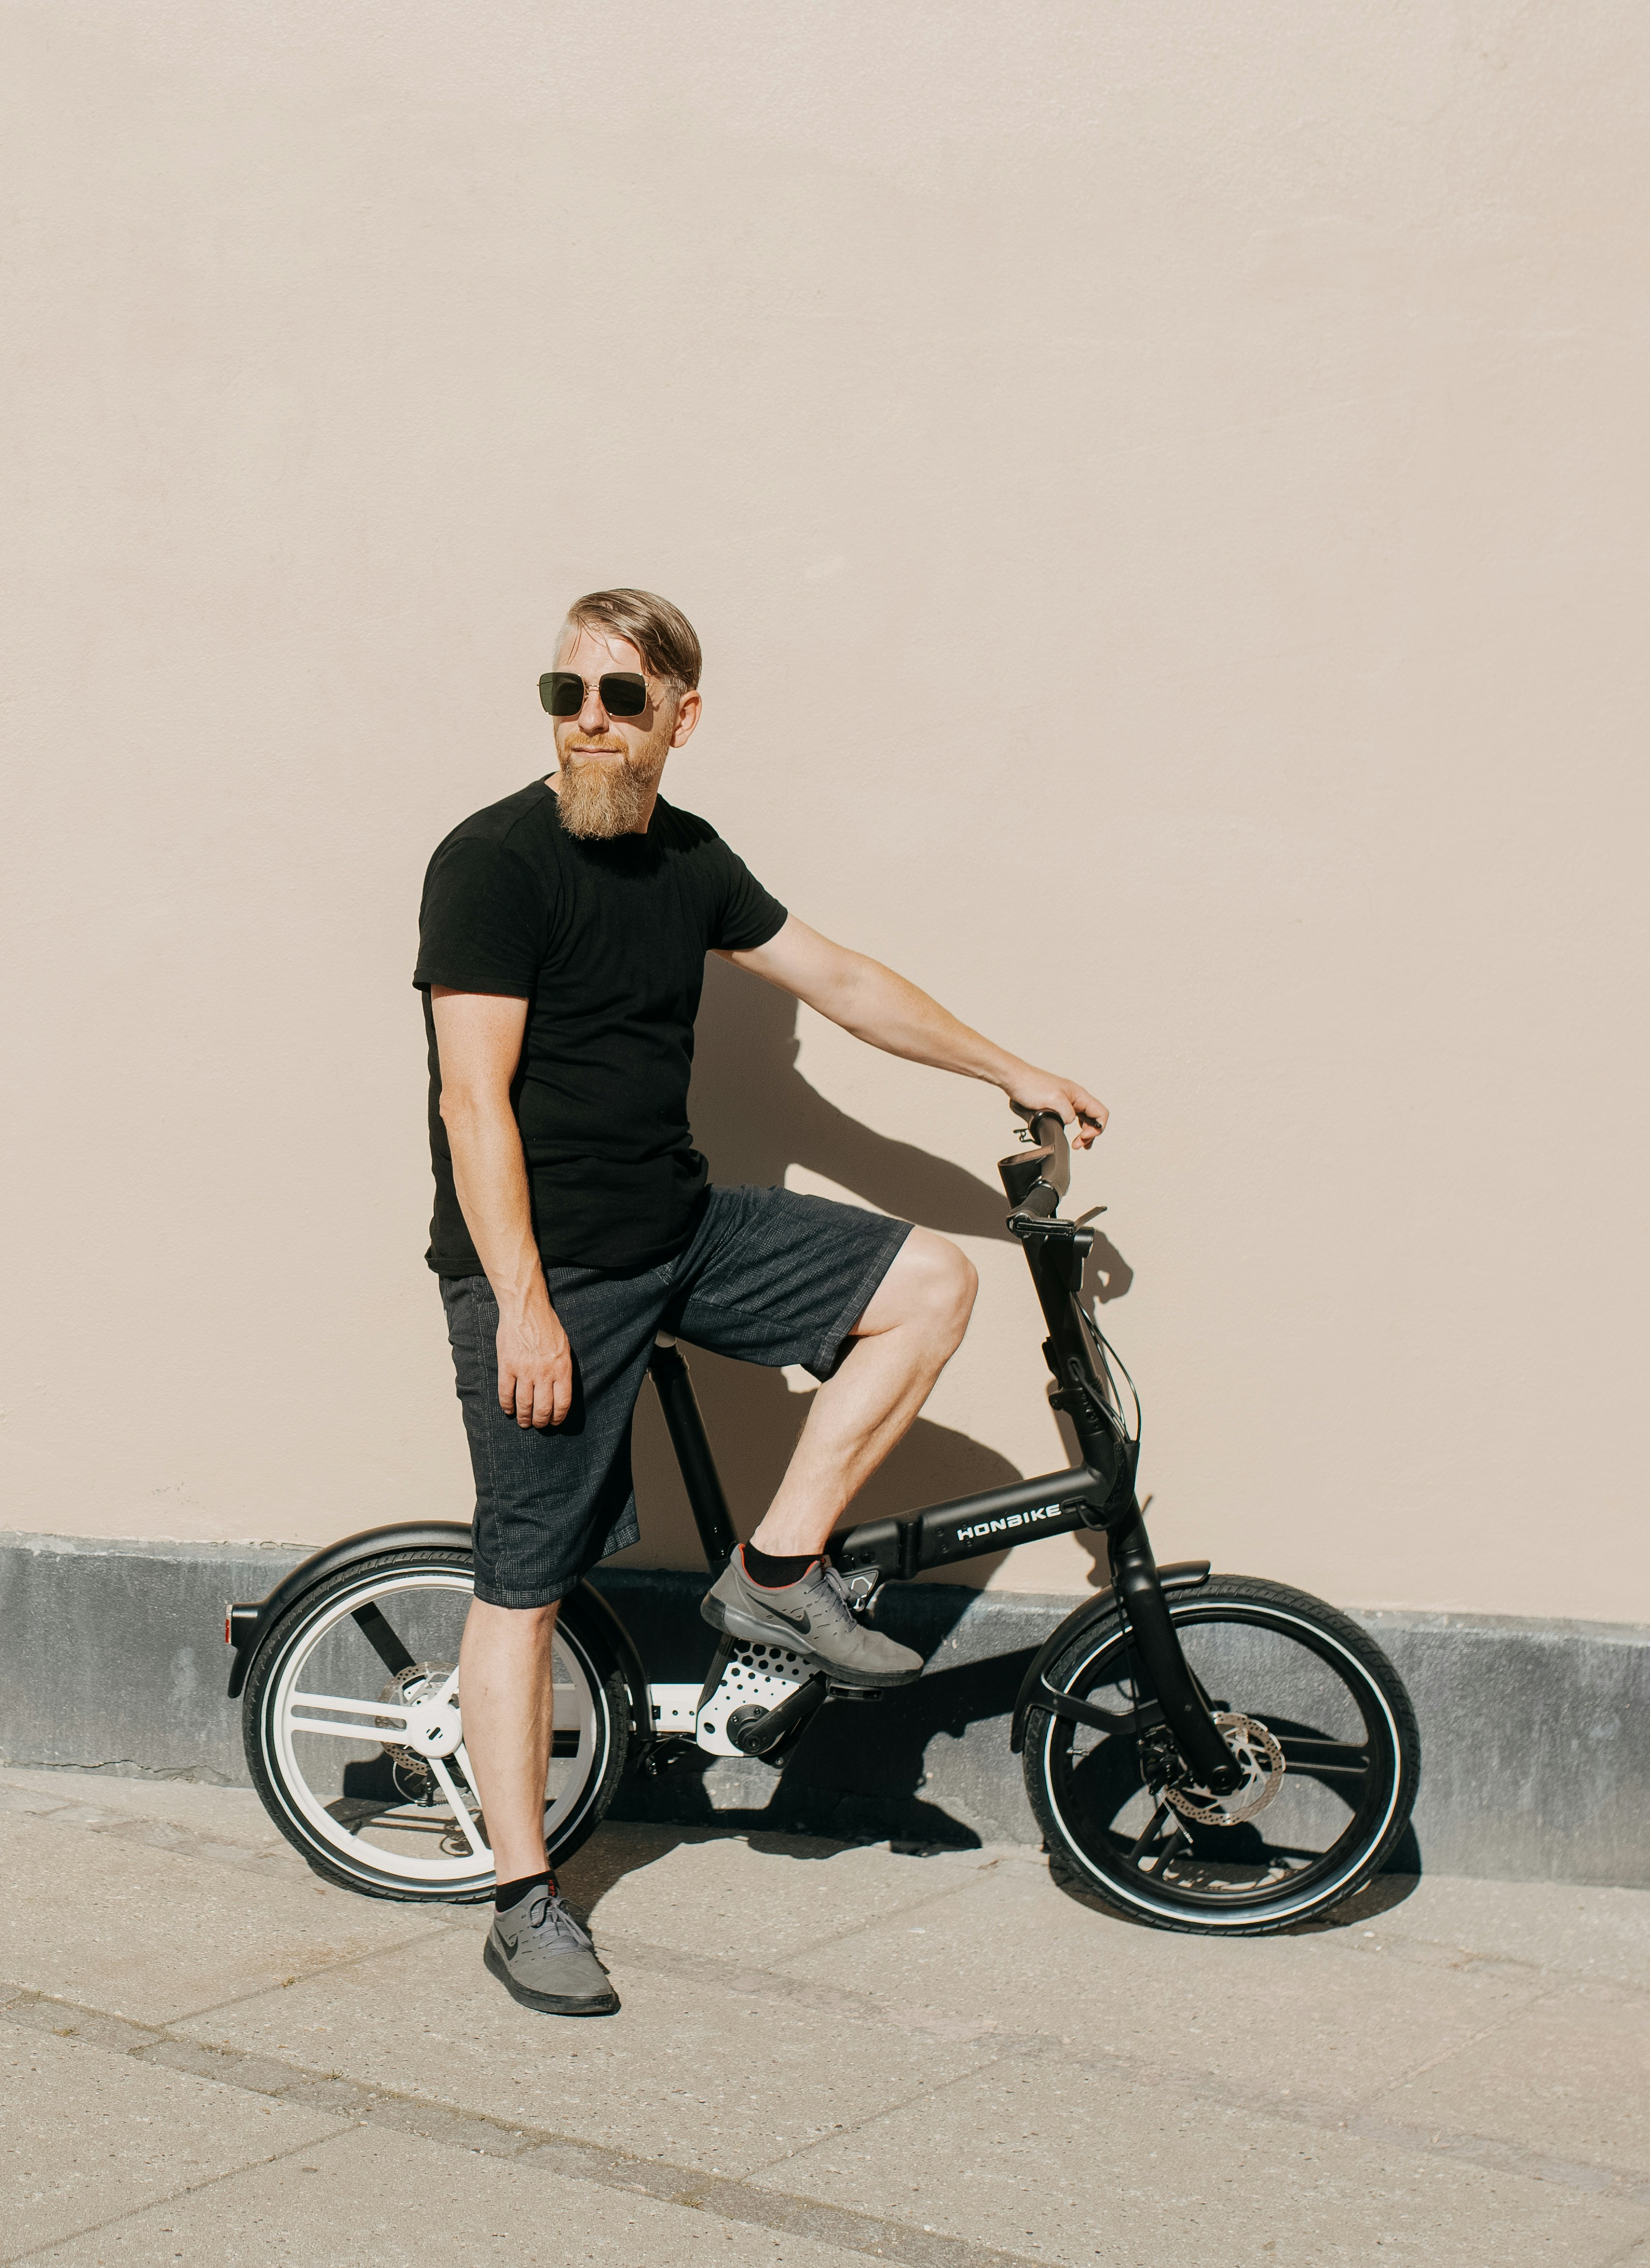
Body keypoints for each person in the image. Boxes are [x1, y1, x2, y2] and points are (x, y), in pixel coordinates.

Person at [418, 588, 1109, 2018]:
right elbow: (470, 1102)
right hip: (548, 1272)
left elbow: (842, 982)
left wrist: (1010, 1067)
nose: (590, 722)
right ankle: (523, 1897)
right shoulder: (488, 863)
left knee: (929, 1281)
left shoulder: (688, 859)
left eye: (621, 696)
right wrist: (526, 1307)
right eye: (567, 694)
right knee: (525, 1586)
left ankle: (776, 1568)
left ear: (680, 712)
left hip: (678, 1228)